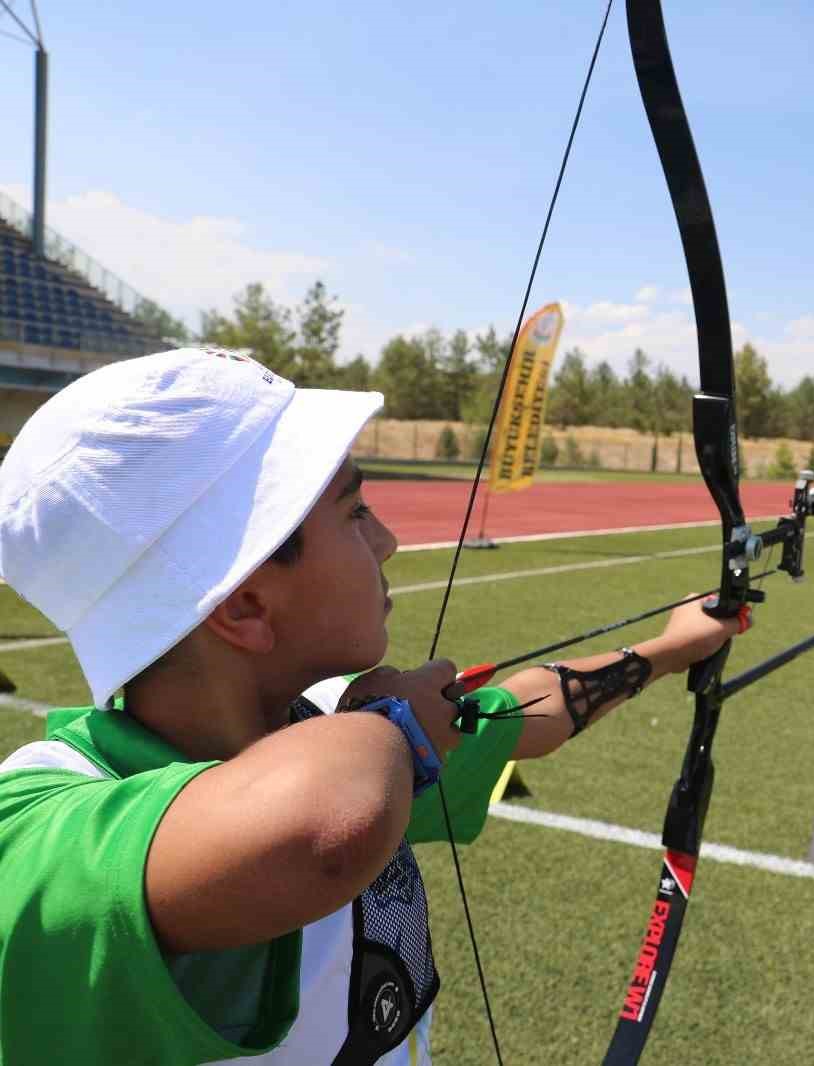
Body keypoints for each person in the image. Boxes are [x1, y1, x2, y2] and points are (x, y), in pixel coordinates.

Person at [0, 347, 741, 1065]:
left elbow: (512, 713)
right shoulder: (36, 826)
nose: (386, 541)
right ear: (247, 605)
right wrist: (394, 729)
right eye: (355, 512)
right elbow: (325, 821)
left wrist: (672, 646)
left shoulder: (325, 729)